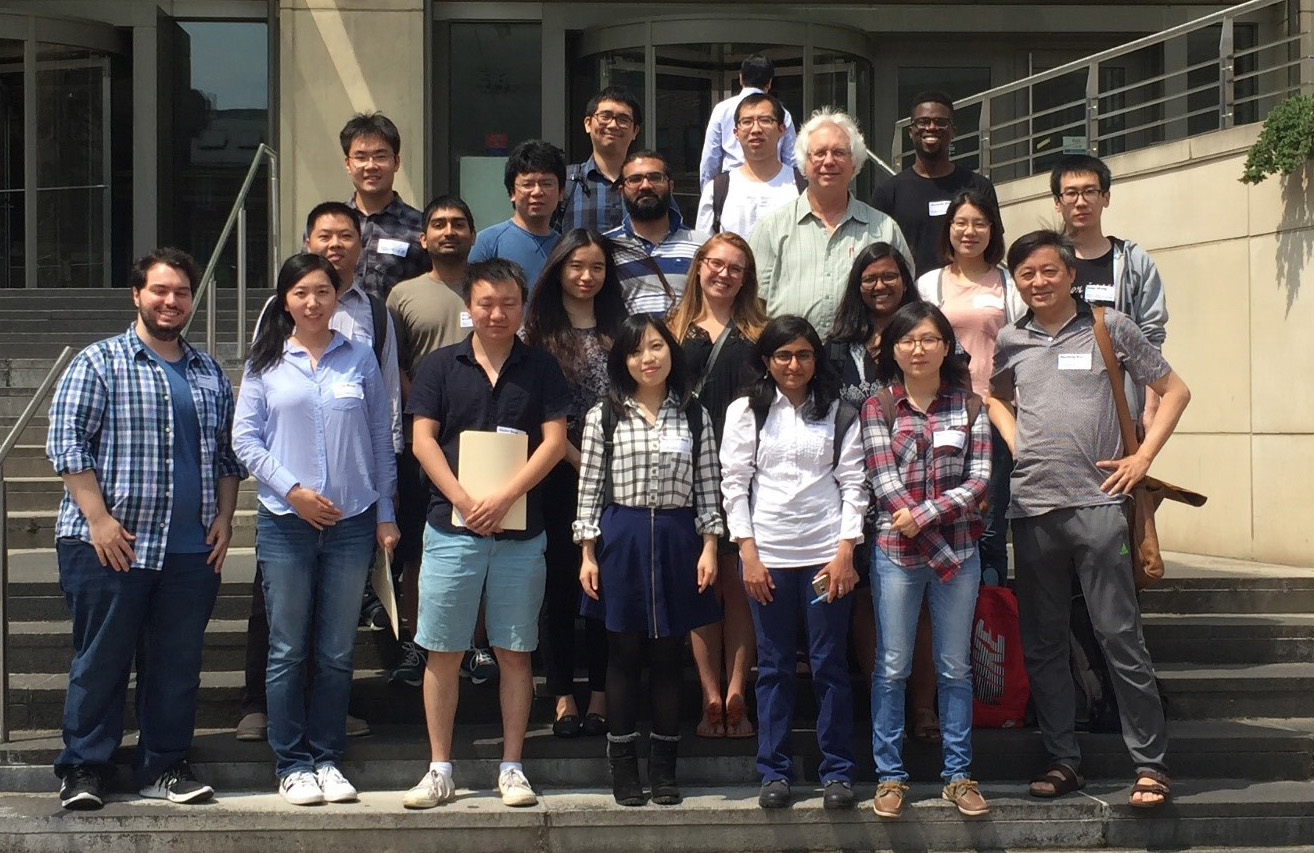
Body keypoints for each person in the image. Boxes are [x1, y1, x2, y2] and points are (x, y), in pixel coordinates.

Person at [988, 230, 1191, 809]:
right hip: (1031, 509)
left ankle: (1151, 765)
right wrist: (1017, 439)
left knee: (1119, 636)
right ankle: (1063, 760)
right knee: (1044, 643)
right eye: (1025, 274)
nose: (1038, 282)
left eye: (1048, 271)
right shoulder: (1011, 338)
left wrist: (1143, 457)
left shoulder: (1110, 325)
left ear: (1070, 274)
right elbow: (996, 395)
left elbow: (1174, 390)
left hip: (1100, 504)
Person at [47, 248, 244, 810]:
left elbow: (228, 458)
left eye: (181, 292)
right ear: (137, 295)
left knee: (177, 666)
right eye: (159, 290)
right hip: (110, 543)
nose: (170, 301)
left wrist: (226, 521)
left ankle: (164, 766)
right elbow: (67, 444)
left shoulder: (208, 372)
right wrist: (98, 519)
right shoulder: (99, 362)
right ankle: (85, 769)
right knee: (101, 660)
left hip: (189, 550)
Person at [232, 253, 399, 806]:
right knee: (286, 648)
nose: (312, 301)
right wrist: (293, 492)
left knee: (335, 649)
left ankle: (326, 757)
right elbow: (246, 440)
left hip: (352, 521)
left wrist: (385, 513)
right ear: (285, 300)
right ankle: (292, 762)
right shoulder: (265, 361)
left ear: (336, 297)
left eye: (323, 291)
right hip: (287, 522)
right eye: (301, 292)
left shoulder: (358, 359)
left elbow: (381, 437)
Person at [403, 259, 570, 810]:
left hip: (522, 532)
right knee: (443, 650)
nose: (496, 314)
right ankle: (439, 767)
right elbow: (423, 439)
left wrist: (502, 498)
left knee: (514, 650)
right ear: (467, 308)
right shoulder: (438, 366)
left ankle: (513, 764)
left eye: (508, 304)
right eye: (486, 304)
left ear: (523, 308)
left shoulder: (541, 367)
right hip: (451, 528)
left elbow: (552, 443)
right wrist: (463, 498)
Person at [720, 315, 867, 812]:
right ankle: (773, 772)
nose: (794, 364)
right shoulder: (747, 410)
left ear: (815, 359)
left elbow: (854, 485)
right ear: (767, 361)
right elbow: (734, 484)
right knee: (775, 666)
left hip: (827, 557)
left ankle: (838, 773)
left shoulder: (841, 411)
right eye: (783, 355)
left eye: (803, 354)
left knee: (829, 665)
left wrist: (846, 550)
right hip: (769, 557)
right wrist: (748, 553)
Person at [575, 316, 723, 807]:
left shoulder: (695, 414)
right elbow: (590, 488)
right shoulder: (605, 415)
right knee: (623, 655)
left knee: (667, 656)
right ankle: (622, 770)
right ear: (624, 361)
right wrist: (587, 552)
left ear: (671, 352)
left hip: (679, 538)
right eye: (636, 351)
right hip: (624, 537)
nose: (648, 359)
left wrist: (708, 546)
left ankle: (664, 770)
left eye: (657, 347)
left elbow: (708, 486)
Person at [862, 301, 992, 820]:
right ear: (893, 349)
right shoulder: (879, 406)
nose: (919, 349)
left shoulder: (970, 407)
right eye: (908, 340)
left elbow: (980, 478)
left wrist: (927, 515)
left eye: (929, 339)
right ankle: (890, 776)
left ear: (946, 346)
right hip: (895, 554)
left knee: (954, 666)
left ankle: (959, 776)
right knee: (891, 666)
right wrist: (912, 518)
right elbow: (880, 476)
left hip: (957, 552)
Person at [522, 229, 627, 739]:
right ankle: (563, 692)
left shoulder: (622, 327)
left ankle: (603, 692)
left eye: (598, 268)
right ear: (559, 269)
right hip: (555, 472)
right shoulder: (536, 334)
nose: (587, 277)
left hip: (619, 473)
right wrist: (577, 458)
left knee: (606, 583)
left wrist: (605, 464)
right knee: (559, 586)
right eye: (576, 266)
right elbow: (538, 410)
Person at [666, 232, 768, 740]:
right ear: (698, 266)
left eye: (735, 267)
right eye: (715, 263)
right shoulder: (670, 327)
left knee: (737, 586)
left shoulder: (759, 331)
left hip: (742, 470)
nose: (723, 273)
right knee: (700, 586)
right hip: (682, 469)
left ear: (746, 276)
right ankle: (709, 694)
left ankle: (736, 693)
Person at [385, 195, 477, 688]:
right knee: (422, 546)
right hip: (426, 440)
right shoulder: (403, 294)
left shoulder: (490, 287)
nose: (448, 231)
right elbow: (395, 367)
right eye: (438, 225)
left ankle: (477, 646)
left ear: (472, 234)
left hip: (485, 440)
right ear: (423, 238)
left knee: (485, 540)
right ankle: (414, 642)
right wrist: (425, 409)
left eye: (458, 224)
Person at [824, 242, 921, 693]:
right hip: (852, 488)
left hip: (918, 483)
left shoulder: (926, 333)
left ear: (905, 280)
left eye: (889, 277)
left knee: (918, 598)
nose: (880, 286)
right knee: (864, 595)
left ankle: (921, 707)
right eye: (870, 279)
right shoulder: (837, 347)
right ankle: (880, 693)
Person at [915, 189, 1025, 586]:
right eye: (960, 222)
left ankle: (989, 627)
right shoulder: (929, 285)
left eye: (979, 223)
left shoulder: (1009, 285)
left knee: (991, 523)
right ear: (948, 229)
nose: (969, 231)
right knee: (943, 511)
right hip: (945, 414)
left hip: (996, 412)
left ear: (992, 230)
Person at [749, 108, 913, 333]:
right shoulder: (771, 227)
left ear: (854, 164)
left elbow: (906, 299)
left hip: (862, 358)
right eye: (819, 153)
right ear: (804, 163)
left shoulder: (884, 228)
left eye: (839, 152)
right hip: (792, 361)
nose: (829, 162)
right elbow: (753, 305)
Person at [1049, 153, 1168, 428]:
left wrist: (1150, 408)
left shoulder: (1132, 262)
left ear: (1106, 197)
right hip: (1057, 406)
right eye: (1071, 193)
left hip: (1120, 408)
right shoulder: (1044, 262)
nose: (1081, 202)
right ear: (1058, 202)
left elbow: (1151, 337)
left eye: (1090, 191)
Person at [873, 92, 999, 277]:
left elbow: (994, 247)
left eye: (940, 122)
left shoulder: (978, 187)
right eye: (923, 122)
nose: (931, 127)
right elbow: (879, 253)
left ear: (953, 131)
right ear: (911, 131)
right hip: (911, 299)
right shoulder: (888, 193)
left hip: (967, 293)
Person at [604, 150, 710, 315]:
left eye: (655, 177)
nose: (646, 186)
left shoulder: (702, 245)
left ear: (671, 187)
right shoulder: (605, 247)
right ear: (621, 190)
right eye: (635, 179)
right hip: (627, 341)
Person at [341, 112, 428, 299]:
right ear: (348, 164)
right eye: (361, 157)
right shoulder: (331, 224)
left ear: (396, 162)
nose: (370, 166)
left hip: (396, 327)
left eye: (380, 156)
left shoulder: (420, 225)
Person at [694, 93, 803, 238]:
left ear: (782, 130)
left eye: (765, 120)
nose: (756, 129)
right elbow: (704, 251)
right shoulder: (717, 190)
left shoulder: (802, 187)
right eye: (747, 122)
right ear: (736, 133)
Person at [469, 138, 566, 287]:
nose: (537, 192)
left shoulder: (565, 247)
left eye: (547, 184)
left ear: (561, 192)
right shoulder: (487, 243)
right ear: (512, 192)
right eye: (528, 184)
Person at [698, 53, 798, 188]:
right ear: (769, 82)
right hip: (774, 185)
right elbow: (791, 159)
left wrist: (710, 194)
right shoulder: (782, 113)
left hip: (732, 188)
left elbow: (710, 158)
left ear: (740, 78)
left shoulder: (722, 109)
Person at [558, 87, 643, 233]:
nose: (612, 125)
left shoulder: (648, 184)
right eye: (605, 116)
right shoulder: (565, 180)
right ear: (588, 124)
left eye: (623, 120)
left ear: (635, 131)